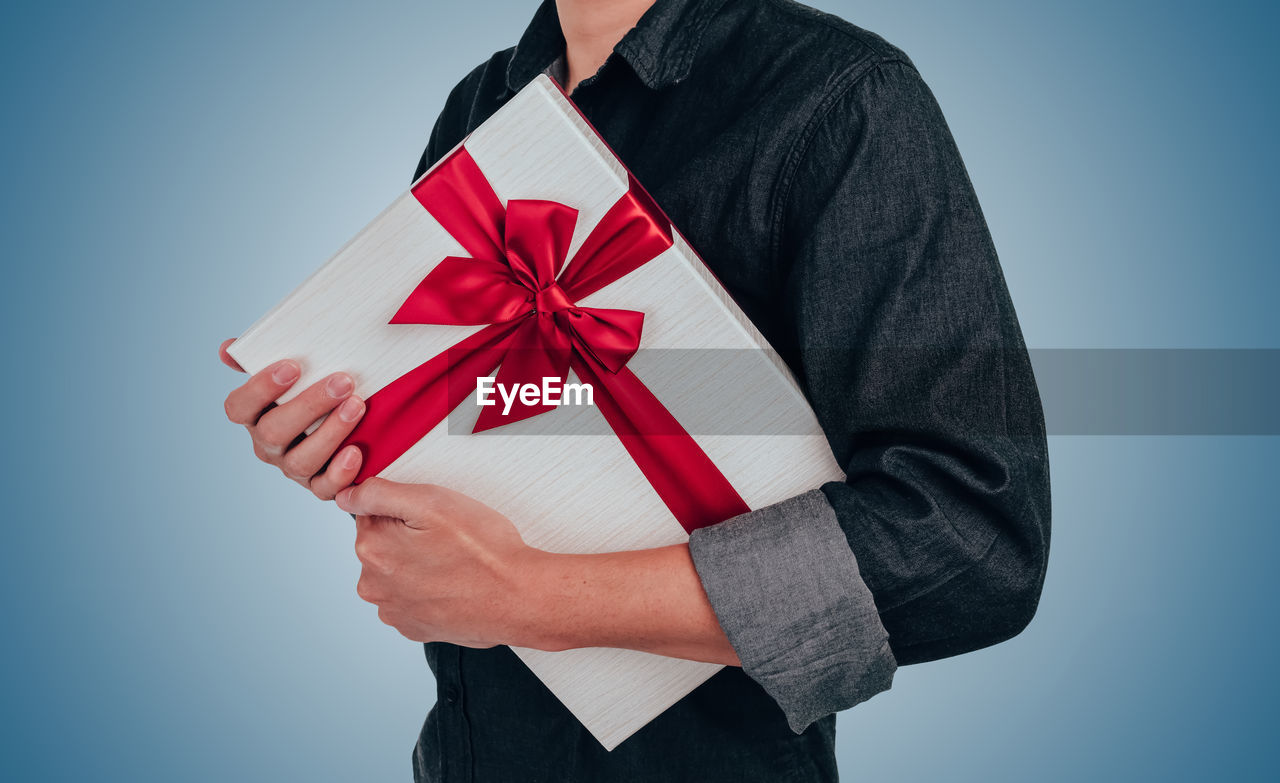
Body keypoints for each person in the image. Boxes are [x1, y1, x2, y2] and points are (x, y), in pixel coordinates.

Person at [219, 0, 1051, 780]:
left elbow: (969, 541)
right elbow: (509, 418)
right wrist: (349, 431)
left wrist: (535, 597)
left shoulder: (838, 97)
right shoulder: (480, 104)